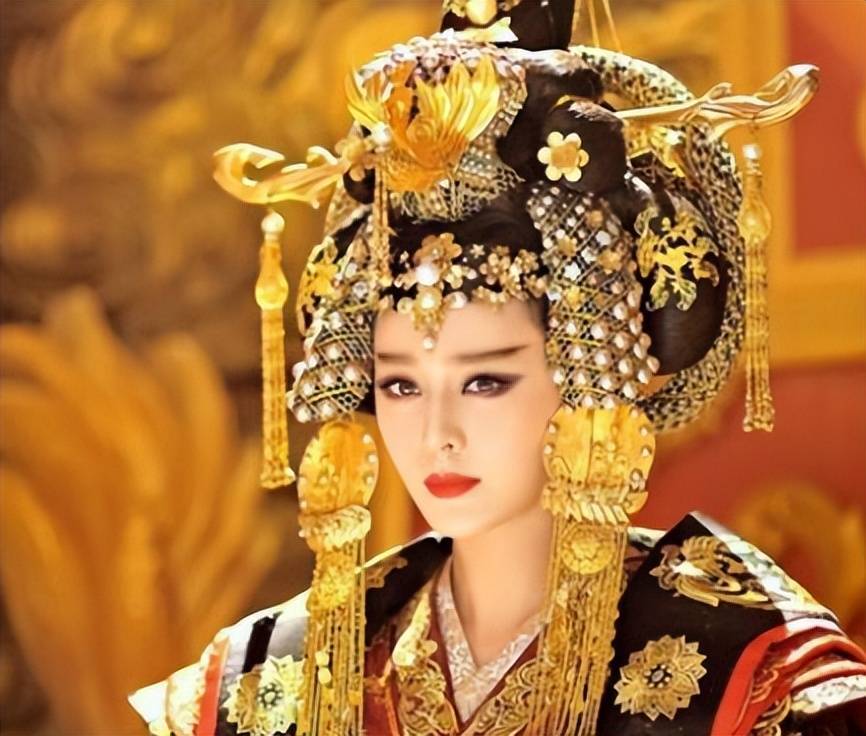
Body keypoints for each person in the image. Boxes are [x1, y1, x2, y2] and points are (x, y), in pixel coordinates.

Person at [130, 1, 866, 734]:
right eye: (400, 385)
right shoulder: (269, 680)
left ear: (588, 375)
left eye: (485, 381)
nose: (437, 433)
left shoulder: (746, 674)